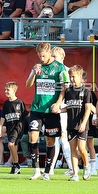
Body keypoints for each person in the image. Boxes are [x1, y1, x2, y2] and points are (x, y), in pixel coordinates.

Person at [26, 42, 68, 181]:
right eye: (39, 56)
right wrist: (33, 72)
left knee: (50, 140)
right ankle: (36, 169)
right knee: (32, 137)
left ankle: (47, 171)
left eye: (43, 55)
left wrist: (58, 103)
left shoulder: (59, 68)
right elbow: (27, 85)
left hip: (51, 110)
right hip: (37, 108)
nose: (41, 58)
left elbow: (64, 88)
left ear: (50, 52)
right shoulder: (38, 67)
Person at [62, 65, 95, 182]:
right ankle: (75, 173)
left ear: (80, 77)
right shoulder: (68, 91)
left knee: (81, 148)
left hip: (82, 124)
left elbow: (87, 108)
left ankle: (87, 165)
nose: (71, 79)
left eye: (73, 77)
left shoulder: (86, 91)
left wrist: (84, 123)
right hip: (71, 124)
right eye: (70, 77)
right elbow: (69, 106)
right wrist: (59, 110)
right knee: (73, 149)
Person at [0, 81, 26, 174]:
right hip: (10, 128)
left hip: (17, 127)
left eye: (8, 90)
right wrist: (0, 128)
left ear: (14, 90)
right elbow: (3, 117)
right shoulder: (6, 103)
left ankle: (15, 164)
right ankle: (16, 165)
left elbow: (25, 114)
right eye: (5, 89)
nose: (6, 91)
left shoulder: (19, 102)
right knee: (12, 145)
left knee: (10, 144)